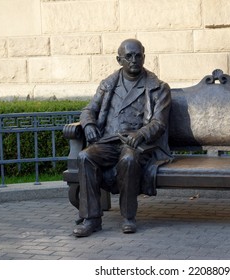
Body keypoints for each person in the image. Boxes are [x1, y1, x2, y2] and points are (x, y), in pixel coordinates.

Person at [73, 39, 172, 237]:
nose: (134, 60)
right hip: (109, 141)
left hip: (139, 143)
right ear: (119, 60)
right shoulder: (108, 85)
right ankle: (91, 218)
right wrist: (89, 124)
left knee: (128, 159)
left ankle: (128, 217)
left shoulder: (158, 88)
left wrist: (142, 133)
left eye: (138, 55)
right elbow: (89, 109)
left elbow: (159, 123)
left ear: (144, 57)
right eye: (129, 56)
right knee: (85, 157)